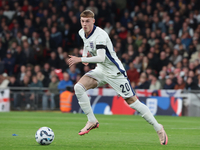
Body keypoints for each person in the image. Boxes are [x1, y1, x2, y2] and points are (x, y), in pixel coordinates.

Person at [68, 10, 168, 145]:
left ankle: (158, 128)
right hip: (101, 70)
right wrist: (85, 54)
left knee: (134, 103)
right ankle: (92, 120)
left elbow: (101, 57)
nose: (84, 24)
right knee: (78, 87)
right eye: (82, 21)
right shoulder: (81, 32)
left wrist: (81, 59)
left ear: (93, 21)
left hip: (115, 73)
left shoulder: (101, 36)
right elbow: (86, 43)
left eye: (87, 21)